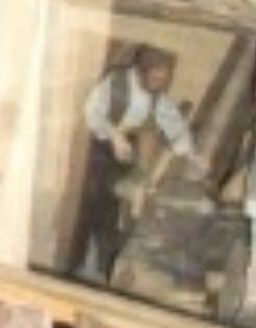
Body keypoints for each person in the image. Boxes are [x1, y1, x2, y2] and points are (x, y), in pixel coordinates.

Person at [63, 44, 204, 282]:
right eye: (156, 78)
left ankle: (105, 269)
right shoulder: (115, 84)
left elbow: (174, 124)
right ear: (140, 72)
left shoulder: (155, 95)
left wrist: (192, 154)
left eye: (165, 79)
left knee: (112, 210)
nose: (160, 84)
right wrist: (114, 136)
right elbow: (92, 114)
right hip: (94, 147)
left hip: (122, 150)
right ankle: (71, 265)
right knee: (86, 207)